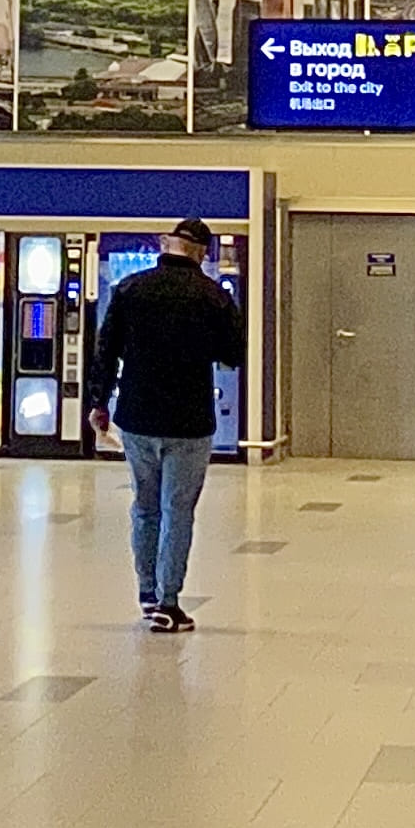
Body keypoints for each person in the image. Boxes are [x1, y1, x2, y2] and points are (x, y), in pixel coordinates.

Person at [89, 217, 246, 633]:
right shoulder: (214, 296)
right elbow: (233, 354)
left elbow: (106, 350)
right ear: (202, 253)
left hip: (137, 416)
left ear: (167, 244)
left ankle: (146, 593)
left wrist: (98, 402)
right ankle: (168, 600)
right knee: (178, 511)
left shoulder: (129, 289)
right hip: (190, 420)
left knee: (145, 506)